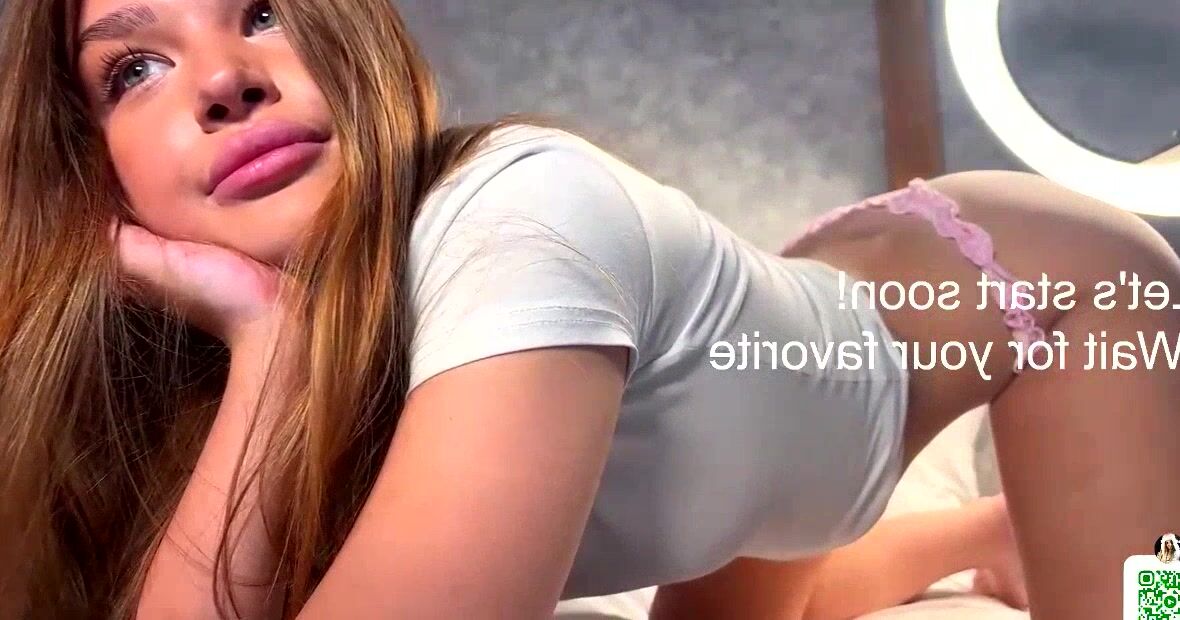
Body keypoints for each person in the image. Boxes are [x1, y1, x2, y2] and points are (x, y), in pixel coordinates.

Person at [0, 1, 1176, 618]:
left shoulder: (520, 217)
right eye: (133, 69)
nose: (224, 78)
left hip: (1050, 294)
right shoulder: (190, 373)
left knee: (1151, 605)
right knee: (794, 516)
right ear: (89, 171)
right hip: (765, 392)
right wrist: (271, 344)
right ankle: (987, 532)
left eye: (261, 9)